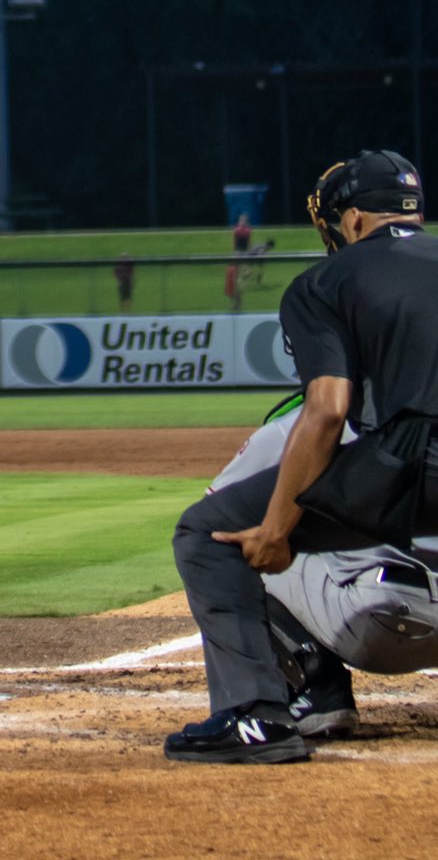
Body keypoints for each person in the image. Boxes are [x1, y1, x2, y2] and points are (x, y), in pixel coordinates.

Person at [166, 148, 437, 765]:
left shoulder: (326, 282)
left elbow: (327, 408)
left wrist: (278, 530)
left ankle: (256, 718)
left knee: (207, 533)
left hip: (410, 464)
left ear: (353, 221)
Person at [206, 403, 438, 738]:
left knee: (235, 543)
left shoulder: (301, 424)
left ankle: (313, 689)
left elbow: (212, 523)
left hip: (383, 625)